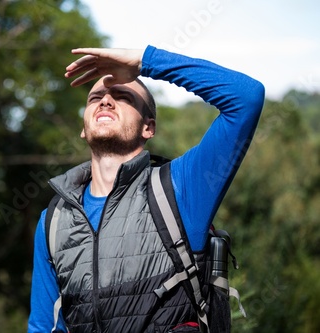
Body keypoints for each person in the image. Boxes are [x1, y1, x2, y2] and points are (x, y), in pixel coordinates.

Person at [27, 45, 265, 333]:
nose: (106, 101)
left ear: (148, 127)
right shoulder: (54, 220)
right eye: (96, 98)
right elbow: (43, 326)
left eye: (122, 95)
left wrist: (144, 62)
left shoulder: (180, 187)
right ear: (83, 127)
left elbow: (246, 98)